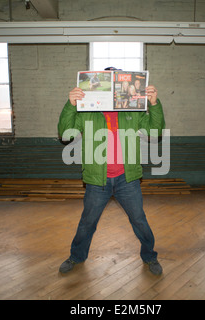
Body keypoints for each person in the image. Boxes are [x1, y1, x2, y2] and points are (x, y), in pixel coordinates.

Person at [57, 67, 165, 276]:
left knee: (139, 221)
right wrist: (70, 105)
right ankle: (76, 256)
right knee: (87, 222)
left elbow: (155, 131)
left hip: (128, 179)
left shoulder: (132, 111)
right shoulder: (86, 111)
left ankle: (150, 257)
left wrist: (154, 104)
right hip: (98, 180)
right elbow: (64, 133)